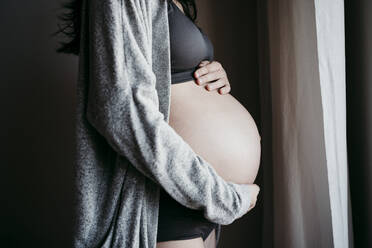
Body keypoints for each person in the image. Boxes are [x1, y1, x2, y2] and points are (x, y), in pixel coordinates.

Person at [53, 0, 260, 247]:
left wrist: (209, 72)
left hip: (194, 197)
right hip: (161, 201)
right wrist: (223, 198)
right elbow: (120, 111)